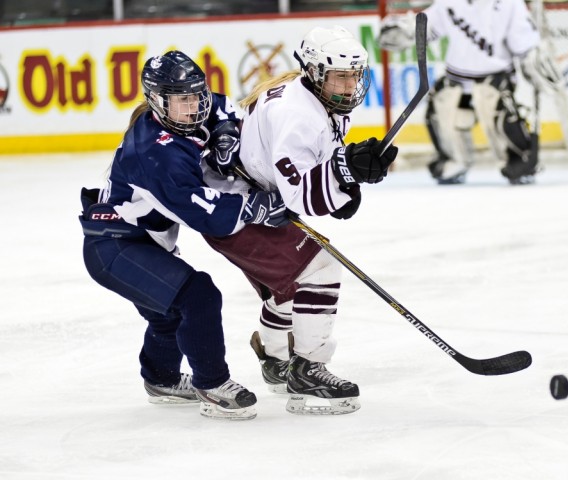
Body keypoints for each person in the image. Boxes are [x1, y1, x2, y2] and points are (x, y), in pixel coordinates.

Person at [78, 50, 288, 420]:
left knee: (167, 313)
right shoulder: (155, 154)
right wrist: (257, 207)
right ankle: (212, 385)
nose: (193, 107)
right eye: (182, 100)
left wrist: (223, 135)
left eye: (196, 95)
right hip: (114, 247)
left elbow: (222, 107)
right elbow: (203, 212)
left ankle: (160, 378)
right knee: (198, 296)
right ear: (158, 102)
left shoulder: (185, 113)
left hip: (137, 240)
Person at [201, 25, 398, 415]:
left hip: (248, 199)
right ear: (314, 71)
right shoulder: (297, 114)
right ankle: (307, 369)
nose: (349, 85)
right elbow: (301, 196)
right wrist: (347, 172)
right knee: (320, 270)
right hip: (236, 208)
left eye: (355, 75)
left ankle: (274, 356)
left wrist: (344, 176)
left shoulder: (319, 97)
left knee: (293, 282)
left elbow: (316, 169)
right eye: (340, 75)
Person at [378, 2, 560, 185]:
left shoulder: (509, 3)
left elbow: (523, 41)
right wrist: (408, 30)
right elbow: (428, 24)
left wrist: (531, 56)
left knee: (496, 112)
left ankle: (517, 158)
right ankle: (453, 161)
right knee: (445, 110)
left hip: (494, 79)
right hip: (457, 80)